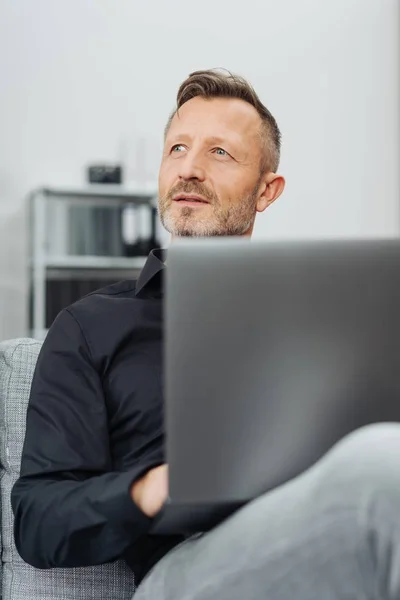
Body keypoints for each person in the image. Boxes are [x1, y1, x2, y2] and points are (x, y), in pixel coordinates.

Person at [11, 69, 400, 600]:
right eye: (177, 149)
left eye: (219, 153)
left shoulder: (328, 316)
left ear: (267, 190)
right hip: (187, 568)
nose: (189, 169)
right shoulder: (91, 327)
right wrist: (156, 486)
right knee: (381, 473)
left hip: (324, 529)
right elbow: (38, 521)